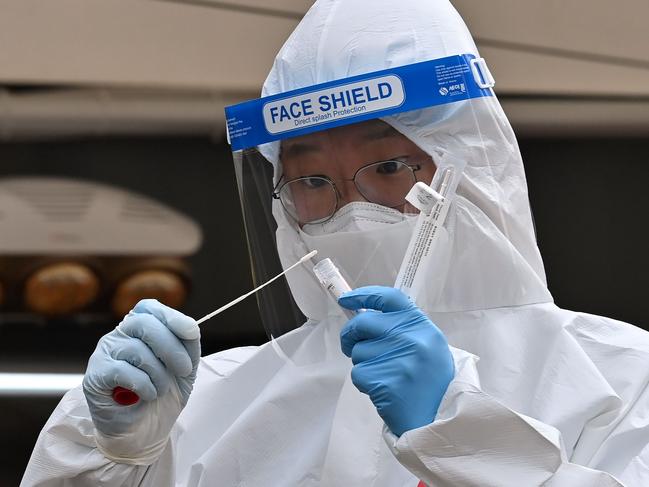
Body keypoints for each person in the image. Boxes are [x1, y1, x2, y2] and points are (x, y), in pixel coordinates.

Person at [22, 0, 649, 485]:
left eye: (390, 167)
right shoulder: (214, 400)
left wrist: (468, 440)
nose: (352, 208)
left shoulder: (620, 379)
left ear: (470, 167)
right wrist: (111, 459)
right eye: (312, 179)